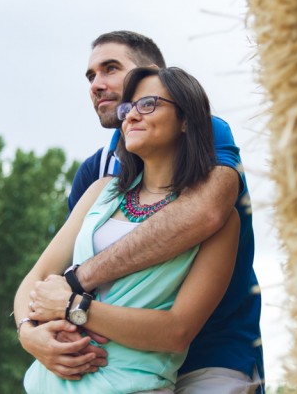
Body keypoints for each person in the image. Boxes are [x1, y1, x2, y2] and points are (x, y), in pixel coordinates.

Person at [17, 31, 264, 393]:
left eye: (111, 68)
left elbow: (207, 212)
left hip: (212, 353)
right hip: (95, 365)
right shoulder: (97, 176)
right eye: (90, 76)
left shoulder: (211, 132)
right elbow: (49, 273)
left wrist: (73, 297)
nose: (98, 84)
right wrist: (30, 332)